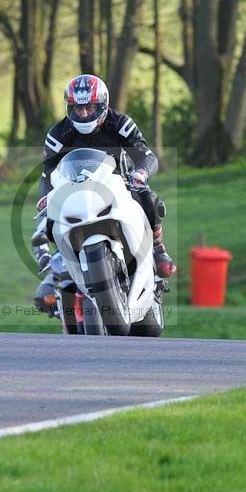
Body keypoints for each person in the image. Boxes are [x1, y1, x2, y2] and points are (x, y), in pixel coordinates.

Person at [33, 74, 176, 313]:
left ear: (102, 104)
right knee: (45, 219)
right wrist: (47, 194)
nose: (84, 114)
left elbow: (146, 154)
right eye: (78, 108)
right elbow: (47, 172)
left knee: (149, 199)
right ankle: (58, 266)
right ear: (70, 107)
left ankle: (158, 249)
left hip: (120, 183)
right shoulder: (58, 133)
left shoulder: (119, 122)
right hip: (74, 190)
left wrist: (140, 172)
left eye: (89, 107)